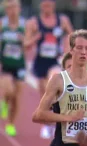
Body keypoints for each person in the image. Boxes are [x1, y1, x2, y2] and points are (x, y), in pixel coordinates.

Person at [25, 0, 73, 138]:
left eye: (49, 5)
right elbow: (26, 44)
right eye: (44, 5)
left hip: (55, 60)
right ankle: (47, 124)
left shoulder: (62, 20)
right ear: (41, 6)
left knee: (52, 84)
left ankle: (56, 121)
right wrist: (35, 38)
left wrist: (67, 48)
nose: (47, 8)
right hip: (40, 62)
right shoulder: (34, 23)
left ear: (53, 5)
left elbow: (73, 35)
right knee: (44, 95)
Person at [0, 0, 26, 136]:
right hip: (5, 65)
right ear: (6, 10)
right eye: (9, 8)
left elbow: (29, 45)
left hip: (20, 66)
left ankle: (10, 124)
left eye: (15, 7)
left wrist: (25, 41)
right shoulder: (2, 24)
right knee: (9, 90)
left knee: (16, 98)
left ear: (19, 9)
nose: (12, 10)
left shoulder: (24, 25)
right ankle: (4, 102)